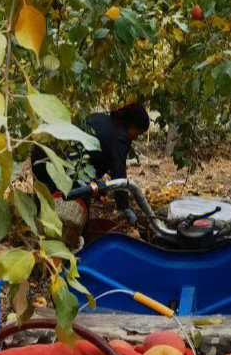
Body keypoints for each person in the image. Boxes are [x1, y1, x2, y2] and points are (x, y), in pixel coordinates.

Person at [31, 98, 150, 247]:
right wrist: (124, 207)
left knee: (43, 202)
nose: (136, 137)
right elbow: (119, 173)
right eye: (138, 133)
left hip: (42, 153)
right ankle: (80, 249)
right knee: (79, 204)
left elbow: (98, 155)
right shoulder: (120, 136)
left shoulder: (103, 119)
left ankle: (38, 243)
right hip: (62, 164)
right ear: (133, 125)